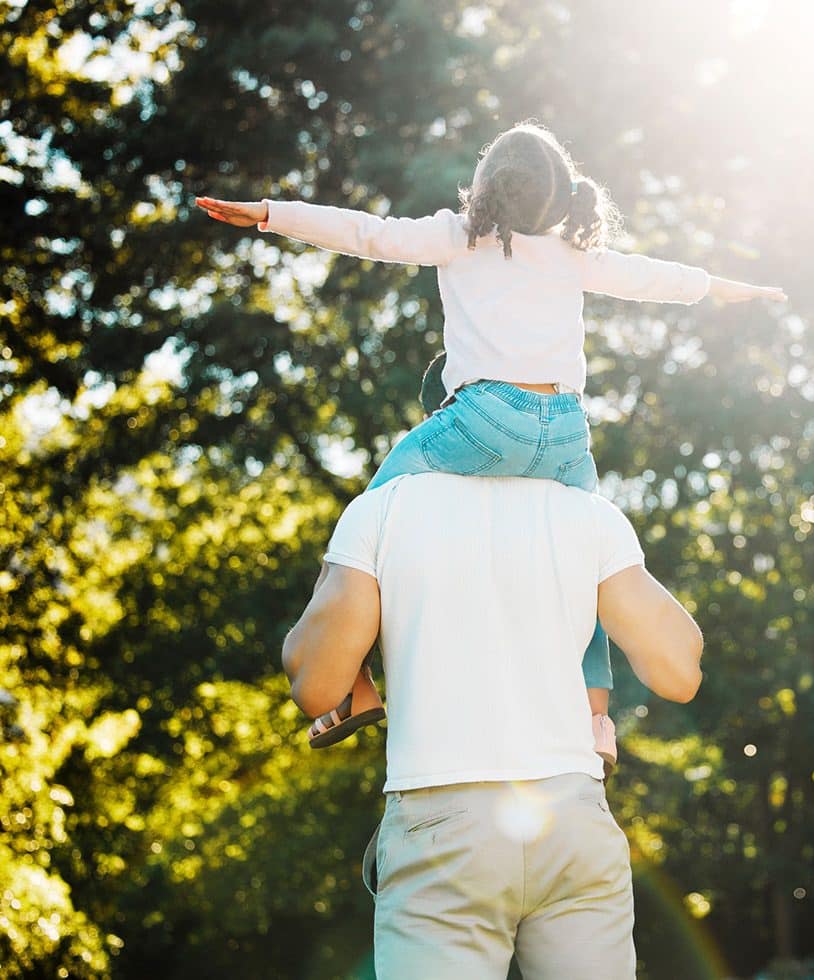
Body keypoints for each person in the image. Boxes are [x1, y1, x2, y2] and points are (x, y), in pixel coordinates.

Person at [197, 122, 783, 770]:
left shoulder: (460, 237)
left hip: (484, 420)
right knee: (590, 573)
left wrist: (271, 214)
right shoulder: (571, 252)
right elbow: (657, 278)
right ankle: (594, 719)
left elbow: (366, 232)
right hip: (565, 433)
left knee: (371, 519)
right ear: (558, 199)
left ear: (485, 186)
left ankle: (355, 684)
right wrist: (736, 288)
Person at [282, 469, 703, 977]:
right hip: (572, 813)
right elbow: (681, 674)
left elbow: (316, 688)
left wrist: (343, 593)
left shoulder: (382, 506)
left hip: (440, 819)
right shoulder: (591, 514)